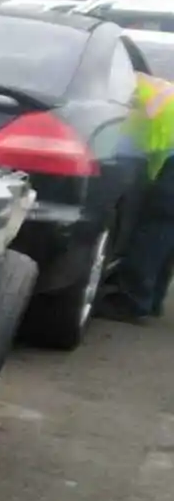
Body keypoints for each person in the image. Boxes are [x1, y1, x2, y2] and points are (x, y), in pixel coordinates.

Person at [102, 71, 174, 319]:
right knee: (164, 232)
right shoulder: (157, 89)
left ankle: (133, 300)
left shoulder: (132, 89)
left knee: (155, 229)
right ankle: (151, 298)